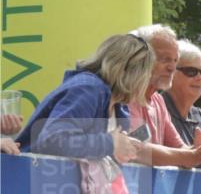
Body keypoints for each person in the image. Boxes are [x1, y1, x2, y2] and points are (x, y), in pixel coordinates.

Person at [15, 33, 151, 163]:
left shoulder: (119, 107)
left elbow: (91, 155)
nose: (147, 81)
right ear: (132, 73)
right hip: (31, 180)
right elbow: (52, 141)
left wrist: (124, 148)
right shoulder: (89, 90)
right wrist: (110, 143)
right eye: (147, 74)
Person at [128, 25, 201, 170]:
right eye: (164, 59)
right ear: (141, 58)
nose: (171, 68)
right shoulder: (126, 97)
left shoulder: (158, 101)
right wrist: (196, 154)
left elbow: (182, 152)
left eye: (175, 61)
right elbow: (138, 149)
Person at [162, 40, 201, 146]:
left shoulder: (199, 116)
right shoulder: (158, 110)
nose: (200, 78)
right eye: (191, 71)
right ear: (171, 72)